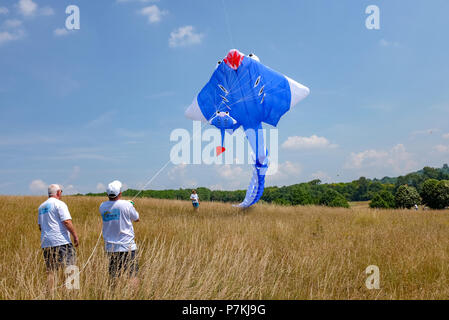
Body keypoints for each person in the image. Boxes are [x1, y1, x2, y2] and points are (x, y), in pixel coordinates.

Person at [38, 184, 79, 292]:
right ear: (58, 192)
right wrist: (75, 235)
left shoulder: (41, 207)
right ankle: (71, 293)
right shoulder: (60, 204)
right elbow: (66, 221)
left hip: (46, 243)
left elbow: (40, 226)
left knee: (51, 271)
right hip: (61, 242)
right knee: (70, 268)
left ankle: (50, 294)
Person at [99, 180, 140, 287]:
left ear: (107, 194)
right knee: (132, 275)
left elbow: (114, 206)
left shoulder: (102, 206)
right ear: (120, 193)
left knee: (114, 275)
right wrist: (131, 205)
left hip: (110, 248)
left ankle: (114, 295)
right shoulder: (126, 205)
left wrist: (128, 204)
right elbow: (136, 218)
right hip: (127, 247)